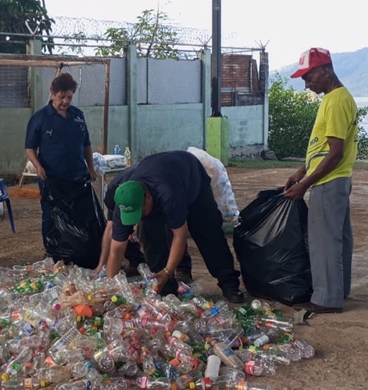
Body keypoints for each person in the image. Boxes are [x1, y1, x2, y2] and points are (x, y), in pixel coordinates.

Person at [100, 150, 244, 302]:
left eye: (139, 212)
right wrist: (111, 290)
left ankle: (229, 283)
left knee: (208, 232)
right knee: (152, 240)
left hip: (191, 180)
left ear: (148, 197)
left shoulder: (167, 194)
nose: (138, 218)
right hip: (162, 177)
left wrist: (168, 270)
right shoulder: (124, 203)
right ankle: (166, 290)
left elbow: (179, 236)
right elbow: (116, 251)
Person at [285, 48, 357, 314]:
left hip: (329, 180)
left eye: (310, 76)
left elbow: (335, 153)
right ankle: (339, 290)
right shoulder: (336, 97)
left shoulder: (336, 100)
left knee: (323, 241)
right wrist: (301, 171)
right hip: (335, 179)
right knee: (338, 238)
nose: (307, 83)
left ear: (326, 71)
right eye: (304, 79)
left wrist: (305, 185)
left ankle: (325, 300)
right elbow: (324, 147)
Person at [25, 72, 97, 254]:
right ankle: (51, 251)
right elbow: (30, 147)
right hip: (52, 177)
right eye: (61, 97)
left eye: (69, 97)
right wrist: (38, 166)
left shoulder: (78, 116)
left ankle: (75, 249)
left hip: (78, 175)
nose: (65, 101)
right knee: (51, 213)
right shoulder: (40, 118)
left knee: (78, 213)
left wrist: (91, 167)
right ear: (52, 93)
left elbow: (86, 144)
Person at [94, 164, 194, 284]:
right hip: (141, 196)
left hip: (172, 186)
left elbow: (180, 234)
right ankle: (141, 264)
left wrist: (167, 271)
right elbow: (114, 242)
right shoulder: (117, 200)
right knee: (124, 236)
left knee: (164, 233)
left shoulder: (163, 193)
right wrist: (105, 273)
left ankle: (182, 268)